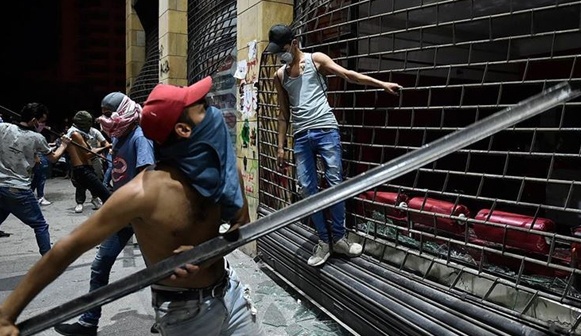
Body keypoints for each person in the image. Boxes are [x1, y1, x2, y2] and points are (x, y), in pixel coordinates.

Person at [0, 77, 264, 336]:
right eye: (203, 108)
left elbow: (242, 226)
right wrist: (7, 315)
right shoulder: (143, 193)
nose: (214, 112)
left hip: (232, 295)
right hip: (185, 314)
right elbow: (68, 247)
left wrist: (207, 253)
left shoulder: (226, 169)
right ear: (184, 130)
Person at [266, 24, 403, 266]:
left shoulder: (316, 60)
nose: (280, 55)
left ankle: (339, 238)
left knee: (334, 183)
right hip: (301, 137)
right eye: (277, 51)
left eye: (283, 49)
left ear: (294, 43)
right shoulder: (280, 76)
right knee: (308, 188)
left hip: (326, 130)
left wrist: (381, 84)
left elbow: (348, 74)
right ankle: (323, 240)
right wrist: (280, 147)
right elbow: (283, 113)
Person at [54, 92, 156, 336]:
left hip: (143, 216)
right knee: (100, 265)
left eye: (110, 114)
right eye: (104, 114)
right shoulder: (119, 135)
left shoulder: (140, 137)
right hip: (122, 215)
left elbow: (146, 178)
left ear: (124, 111)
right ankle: (89, 322)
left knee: (157, 269)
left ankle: (167, 316)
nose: (106, 119)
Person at [0, 102, 70, 253]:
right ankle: (49, 262)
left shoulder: (3, 128)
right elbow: (53, 158)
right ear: (34, 121)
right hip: (18, 188)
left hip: (1, 186)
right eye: (42, 121)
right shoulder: (37, 138)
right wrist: (64, 144)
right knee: (40, 225)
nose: (43, 125)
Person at [65, 110, 112, 213]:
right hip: (82, 166)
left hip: (90, 162)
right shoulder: (75, 133)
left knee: (99, 178)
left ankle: (96, 199)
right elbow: (87, 154)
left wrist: (107, 147)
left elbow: (103, 142)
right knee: (82, 185)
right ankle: (80, 202)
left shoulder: (91, 132)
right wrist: (104, 148)